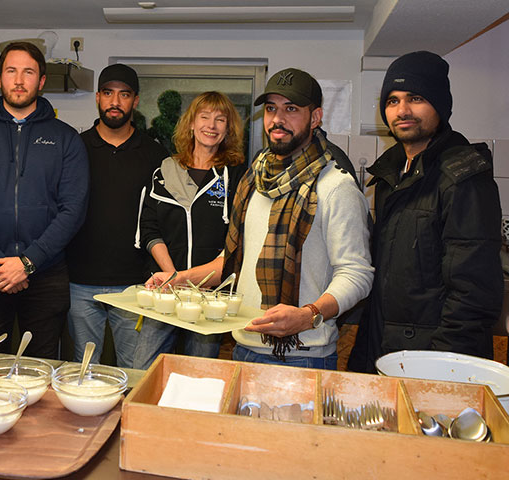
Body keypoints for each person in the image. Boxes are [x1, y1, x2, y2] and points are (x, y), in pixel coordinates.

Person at [150, 69, 373, 369]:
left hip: (302, 357)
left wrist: (309, 315)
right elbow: (233, 262)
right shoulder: (255, 180)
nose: (277, 119)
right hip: (245, 348)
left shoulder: (335, 186)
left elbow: (357, 274)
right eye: (271, 109)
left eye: (291, 109)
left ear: (316, 117)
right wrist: (178, 279)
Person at [348, 51, 503, 373]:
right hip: (385, 345)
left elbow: (474, 292)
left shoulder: (462, 177)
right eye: (392, 101)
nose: (402, 110)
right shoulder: (392, 175)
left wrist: (442, 367)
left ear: (440, 106)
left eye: (415, 98)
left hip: (434, 358)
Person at [0, 42, 89, 359]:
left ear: (41, 81)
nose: (19, 80)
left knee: (40, 369)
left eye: (28, 72)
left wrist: (28, 262)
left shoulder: (66, 140)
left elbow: (73, 210)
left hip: (46, 273)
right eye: (11, 71)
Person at [133, 91, 246, 370]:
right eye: (204, 117)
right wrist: (172, 276)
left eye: (221, 120)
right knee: (143, 369)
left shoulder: (238, 175)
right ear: (191, 124)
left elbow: (239, 239)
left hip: (210, 295)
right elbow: (148, 229)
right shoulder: (164, 171)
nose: (212, 125)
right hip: (164, 291)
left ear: (228, 129)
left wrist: (192, 279)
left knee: (198, 375)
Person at [66, 64, 169, 368]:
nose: (115, 101)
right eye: (108, 93)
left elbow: (163, 219)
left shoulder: (154, 154)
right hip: (79, 282)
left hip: (134, 284)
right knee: (82, 369)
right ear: (97, 97)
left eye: (124, 94)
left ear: (135, 101)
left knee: (135, 369)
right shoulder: (75, 148)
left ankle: (130, 418)